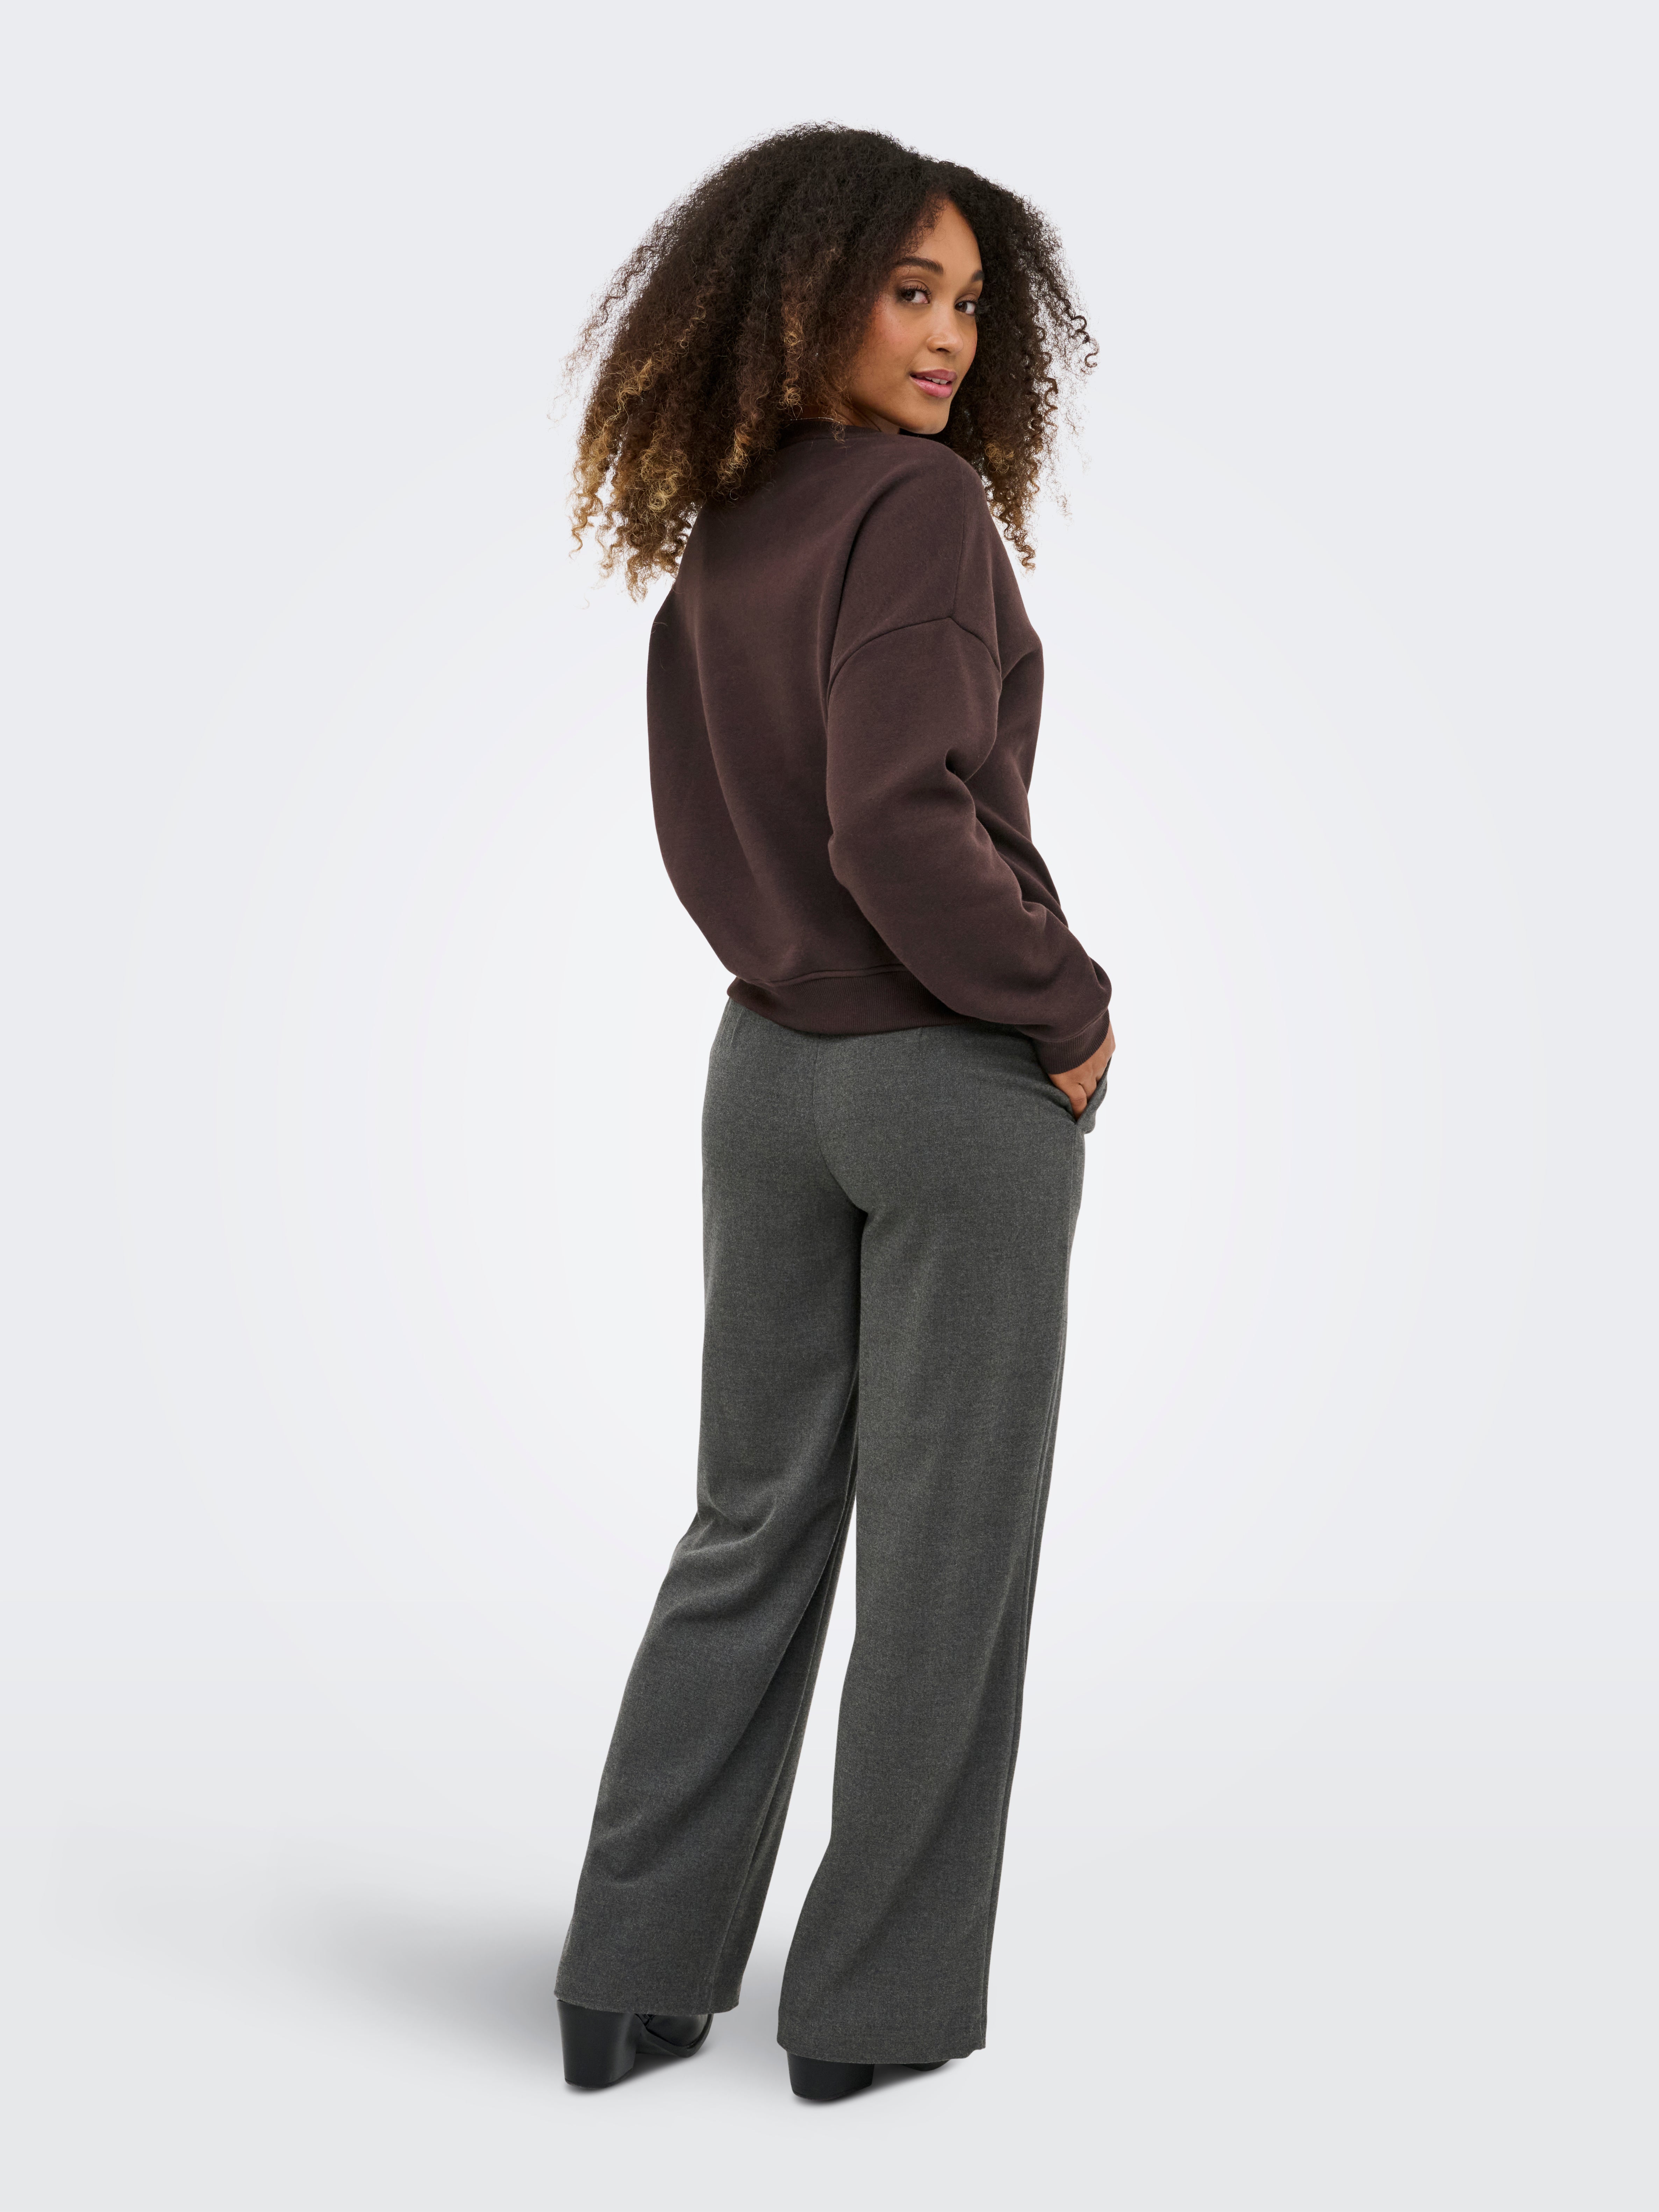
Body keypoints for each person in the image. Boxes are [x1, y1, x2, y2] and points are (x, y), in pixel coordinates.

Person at [553, 124, 1115, 2102]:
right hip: (947, 1077)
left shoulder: (728, 530)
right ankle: (867, 2014)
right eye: (909, 291)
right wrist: (1067, 1003)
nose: (950, 336)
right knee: (947, 1551)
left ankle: (628, 1978)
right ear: (804, 298)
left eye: (970, 302)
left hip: (766, 1072)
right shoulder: (921, 509)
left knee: (750, 1520)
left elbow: (731, 826)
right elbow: (898, 821)